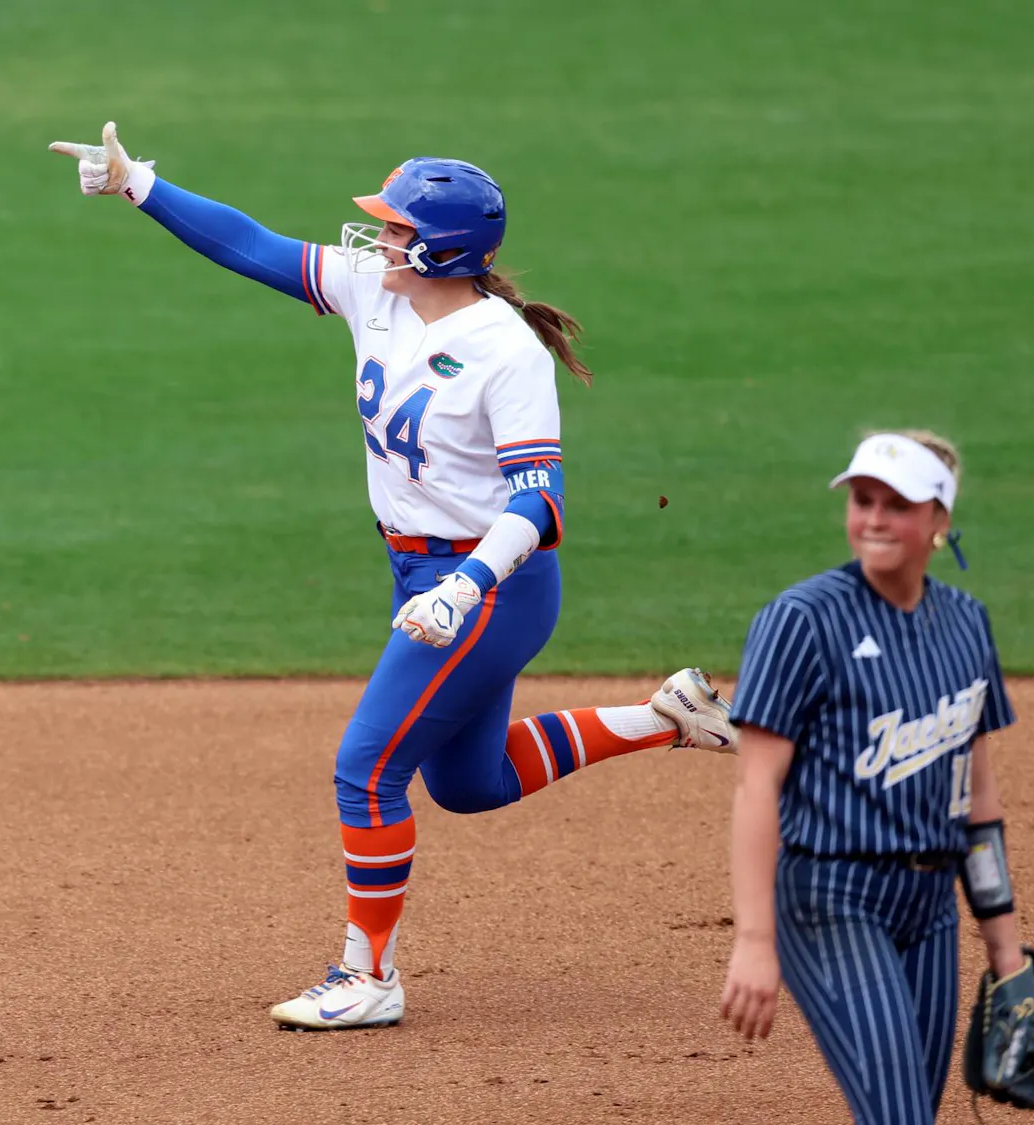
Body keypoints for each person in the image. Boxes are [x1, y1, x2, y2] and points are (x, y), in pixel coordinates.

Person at [50, 122, 737, 1030]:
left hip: (491, 588)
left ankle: (367, 975)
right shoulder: (379, 292)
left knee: (366, 769)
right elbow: (252, 246)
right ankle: (661, 718)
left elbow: (541, 501)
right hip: (420, 576)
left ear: (445, 248)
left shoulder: (506, 352)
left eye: (395, 226)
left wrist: (466, 588)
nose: (376, 238)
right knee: (470, 782)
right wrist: (141, 186)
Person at [719, 430, 1022, 1122]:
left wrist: (1005, 949)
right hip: (831, 897)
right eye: (863, 500)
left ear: (939, 521)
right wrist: (755, 939)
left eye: (899, 504)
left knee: (906, 1108)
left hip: (931, 906)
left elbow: (976, 798)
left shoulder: (967, 623)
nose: (876, 518)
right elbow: (756, 784)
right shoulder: (801, 620)